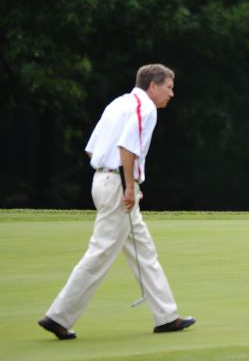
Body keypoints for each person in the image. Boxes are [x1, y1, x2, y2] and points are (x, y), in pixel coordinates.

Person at [38, 64, 195, 340]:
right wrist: (129, 187)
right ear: (153, 86)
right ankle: (58, 316)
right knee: (100, 252)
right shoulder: (144, 108)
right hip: (117, 186)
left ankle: (166, 316)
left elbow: (91, 149)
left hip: (104, 180)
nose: (172, 94)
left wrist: (120, 179)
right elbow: (127, 147)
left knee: (144, 252)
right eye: (169, 88)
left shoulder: (117, 103)